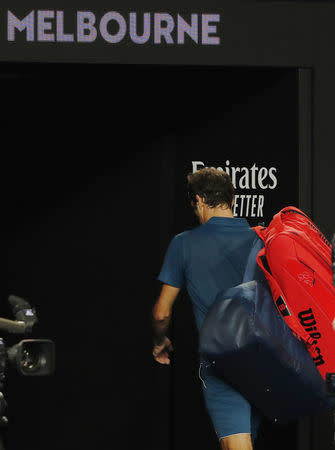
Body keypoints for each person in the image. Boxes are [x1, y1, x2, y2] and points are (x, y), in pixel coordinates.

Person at [152, 167, 260, 450]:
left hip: (224, 361)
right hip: (267, 360)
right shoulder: (261, 239)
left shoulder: (184, 244)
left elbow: (161, 313)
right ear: (233, 201)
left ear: (199, 201)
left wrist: (160, 340)